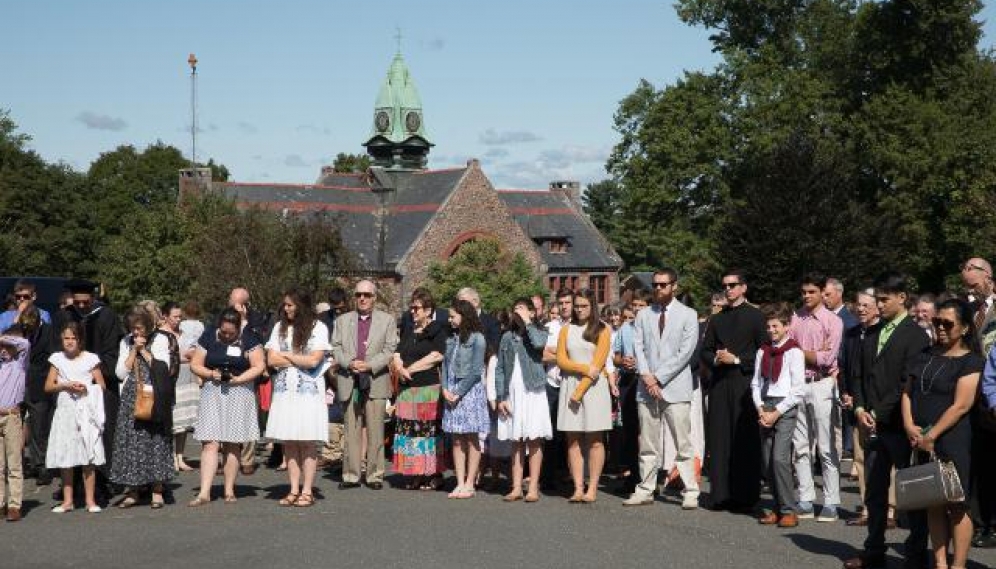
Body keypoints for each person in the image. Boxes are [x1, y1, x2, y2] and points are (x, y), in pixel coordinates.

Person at [844, 272, 931, 569]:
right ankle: (874, 549)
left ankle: (916, 553)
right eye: (877, 299)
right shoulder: (872, 332)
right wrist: (859, 408)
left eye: (884, 300)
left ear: (902, 297)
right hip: (870, 423)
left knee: (910, 493)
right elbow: (858, 375)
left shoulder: (916, 335)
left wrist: (878, 412)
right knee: (875, 492)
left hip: (898, 424)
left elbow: (906, 381)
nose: (878, 306)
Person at [902, 299, 982, 569]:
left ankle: (957, 565)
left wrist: (932, 434)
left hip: (953, 440)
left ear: (965, 328)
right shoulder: (923, 355)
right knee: (933, 503)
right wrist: (909, 425)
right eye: (937, 322)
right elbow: (907, 392)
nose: (940, 327)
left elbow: (961, 405)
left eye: (948, 323)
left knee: (957, 505)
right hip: (921, 439)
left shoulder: (972, 361)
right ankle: (939, 563)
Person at [623, 269, 700, 510]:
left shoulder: (688, 315)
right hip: (647, 388)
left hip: (675, 387)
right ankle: (645, 488)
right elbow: (638, 347)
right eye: (655, 285)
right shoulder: (644, 315)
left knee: (682, 442)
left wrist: (658, 378)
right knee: (647, 442)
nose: (658, 289)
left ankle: (690, 490)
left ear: (674, 286)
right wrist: (647, 377)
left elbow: (685, 353)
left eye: (663, 285)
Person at [700, 269, 767, 512]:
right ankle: (720, 495)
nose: (728, 290)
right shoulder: (717, 319)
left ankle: (745, 496)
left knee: (744, 439)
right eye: (725, 286)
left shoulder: (756, 317)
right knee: (719, 439)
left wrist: (737, 359)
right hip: (719, 384)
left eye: (732, 285)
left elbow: (763, 351)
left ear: (743, 287)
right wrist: (717, 359)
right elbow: (704, 350)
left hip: (745, 385)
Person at [188, 308, 266, 506]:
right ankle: (204, 492)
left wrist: (239, 378)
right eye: (224, 332)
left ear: (239, 328)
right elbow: (195, 364)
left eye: (231, 333)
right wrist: (209, 373)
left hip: (240, 391)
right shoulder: (208, 336)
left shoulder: (250, 339)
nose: (227, 336)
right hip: (213, 390)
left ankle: (229, 489)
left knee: (232, 442)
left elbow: (259, 366)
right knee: (210, 442)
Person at [265, 289, 332, 508]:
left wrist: (286, 356)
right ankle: (293, 488)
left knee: (307, 439)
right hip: (285, 392)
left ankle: (307, 490)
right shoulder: (279, 327)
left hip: (308, 392)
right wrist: (297, 359)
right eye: (284, 305)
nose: (286, 309)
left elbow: (314, 361)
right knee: (290, 440)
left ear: (301, 306)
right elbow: (271, 360)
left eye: (290, 305)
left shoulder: (318, 328)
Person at [331, 280, 398, 490]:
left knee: (376, 430)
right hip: (349, 378)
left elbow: (389, 349)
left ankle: (374, 475)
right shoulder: (342, 321)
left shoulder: (387, 320)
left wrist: (369, 365)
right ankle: (351, 474)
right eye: (359, 294)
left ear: (374, 298)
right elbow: (336, 347)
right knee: (351, 429)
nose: (362, 298)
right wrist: (349, 363)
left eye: (367, 295)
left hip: (375, 379)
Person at [58, 279, 122, 493]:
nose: (82, 307)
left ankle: (107, 479)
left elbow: (112, 352)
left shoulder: (106, 316)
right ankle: (73, 481)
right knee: (72, 432)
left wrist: (90, 371)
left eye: (86, 302)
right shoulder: (66, 316)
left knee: (103, 430)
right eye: (78, 302)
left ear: (93, 298)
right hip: (71, 387)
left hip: (99, 385)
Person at [790, 272, 844, 522]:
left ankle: (831, 501)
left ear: (823, 292)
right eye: (804, 292)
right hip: (799, 383)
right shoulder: (795, 317)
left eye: (811, 292)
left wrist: (802, 352)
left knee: (825, 446)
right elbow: (787, 351)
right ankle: (805, 498)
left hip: (822, 384)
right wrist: (810, 353)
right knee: (800, 446)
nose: (806, 296)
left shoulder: (833, 321)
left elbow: (828, 358)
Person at [842, 290, 897, 529]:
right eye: (858, 304)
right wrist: (846, 393)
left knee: (890, 459)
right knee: (861, 457)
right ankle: (868, 508)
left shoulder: (884, 333)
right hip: (858, 405)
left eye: (867, 305)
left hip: (884, 406)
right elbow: (844, 366)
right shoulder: (852, 333)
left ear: (877, 307)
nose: (861, 309)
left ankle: (891, 511)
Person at [110, 307, 175, 509]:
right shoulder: (125, 341)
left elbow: (162, 367)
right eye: (132, 329)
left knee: (155, 439)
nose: (136, 333)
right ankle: (133, 490)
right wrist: (132, 351)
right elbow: (120, 373)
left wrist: (145, 351)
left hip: (154, 394)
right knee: (132, 441)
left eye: (139, 328)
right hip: (132, 395)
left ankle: (157, 489)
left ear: (147, 326)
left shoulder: (160, 339)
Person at [557, 288, 613, 503]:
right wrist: (583, 368)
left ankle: (593, 488)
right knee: (573, 440)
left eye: (583, 306)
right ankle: (578, 487)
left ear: (592, 307)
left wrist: (579, 392)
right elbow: (562, 360)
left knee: (595, 440)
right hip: (570, 384)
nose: (579, 309)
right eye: (576, 305)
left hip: (593, 388)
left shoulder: (602, 329)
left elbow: (598, 365)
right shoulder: (566, 329)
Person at [751, 304, 805, 527]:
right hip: (766, 406)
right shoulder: (762, 350)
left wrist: (777, 413)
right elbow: (756, 382)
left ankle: (788, 509)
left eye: (776, 326)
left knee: (779, 459)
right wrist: (760, 408)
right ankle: (775, 506)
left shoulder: (794, 352)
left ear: (786, 326)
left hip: (785, 407)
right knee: (766, 461)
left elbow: (798, 390)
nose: (771, 330)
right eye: (769, 326)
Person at [44, 321, 106, 514]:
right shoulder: (57, 359)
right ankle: (67, 500)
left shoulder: (90, 359)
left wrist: (87, 388)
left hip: (85, 410)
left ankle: (90, 500)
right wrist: (65, 385)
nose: (69, 342)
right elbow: (48, 386)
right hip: (65, 411)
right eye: (66, 338)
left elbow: (102, 385)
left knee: (88, 455)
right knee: (66, 455)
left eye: (73, 338)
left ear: (80, 340)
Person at [495, 298, 551, 503]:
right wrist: (501, 397)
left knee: (534, 439)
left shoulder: (539, 330)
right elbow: (500, 369)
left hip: (533, 390)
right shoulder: (507, 337)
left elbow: (539, 343)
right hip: (513, 392)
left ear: (531, 312)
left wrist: (528, 323)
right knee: (516, 440)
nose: (516, 312)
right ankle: (516, 486)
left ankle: (533, 487)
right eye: (514, 308)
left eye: (521, 308)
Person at [391, 289, 446, 490]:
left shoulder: (437, 329)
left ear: (428, 310)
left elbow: (438, 355)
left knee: (428, 434)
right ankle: (415, 473)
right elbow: (397, 352)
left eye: (417, 308)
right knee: (410, 434)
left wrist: (410, 369)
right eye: (411, 307)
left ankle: (432, 473)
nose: (413, 311)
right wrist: (399, 367)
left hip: (427, 389)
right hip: (407, 390)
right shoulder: (408, 328)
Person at [961, 257, 996, 548]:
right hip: (973, 396)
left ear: (987, 275)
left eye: (971, 269)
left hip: (993, 394)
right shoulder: (969, 311)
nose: (965, 273)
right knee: (979, 463)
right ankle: (980, 521)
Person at [440, 299, 489, 499]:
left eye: (453, 316)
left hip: (468, 393)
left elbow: (476, 371)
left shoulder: (478, 339)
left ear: (464, 316)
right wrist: (444, 389)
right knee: (457, 439)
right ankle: (459, 482)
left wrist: (458, 392)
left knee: (471, 438)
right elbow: (444, 367)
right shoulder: (452, 339)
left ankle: (470, 482)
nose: (450, 319)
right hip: (452, 391)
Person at [228, 287, 270, 476]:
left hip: (248, 375)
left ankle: (247, 459)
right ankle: (228, 457)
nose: (233, 306)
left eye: (238, 303)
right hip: (226, 374)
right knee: (226, 417)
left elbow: (259, 342)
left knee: (248, 416)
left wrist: (244, 322)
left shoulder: (255, 321)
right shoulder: (222, 318)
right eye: (232, 301)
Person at [20, 305, 56, 486]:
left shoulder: (49, 332)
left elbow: (51, 359)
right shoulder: (20, 330)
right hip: (19, 385)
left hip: (39, 384)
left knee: (40, 427)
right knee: (19, 427)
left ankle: (43, 466)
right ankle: (29, 464)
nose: (27, 330)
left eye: (30, 327)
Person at [0, 324, 31, 521]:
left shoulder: (19, 364)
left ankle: (14, 504)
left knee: (14, 463)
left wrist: (4, 338)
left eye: (7, 346)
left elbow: (25, 343)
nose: (3, 349)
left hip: (11, 416)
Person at [176, 301, 205, 472]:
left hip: (188, 369)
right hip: (184, 369)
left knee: (183, 416)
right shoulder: (199, 325)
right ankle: (177, 456)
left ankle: (178, 456)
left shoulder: (185, 326)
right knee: (180, 415)